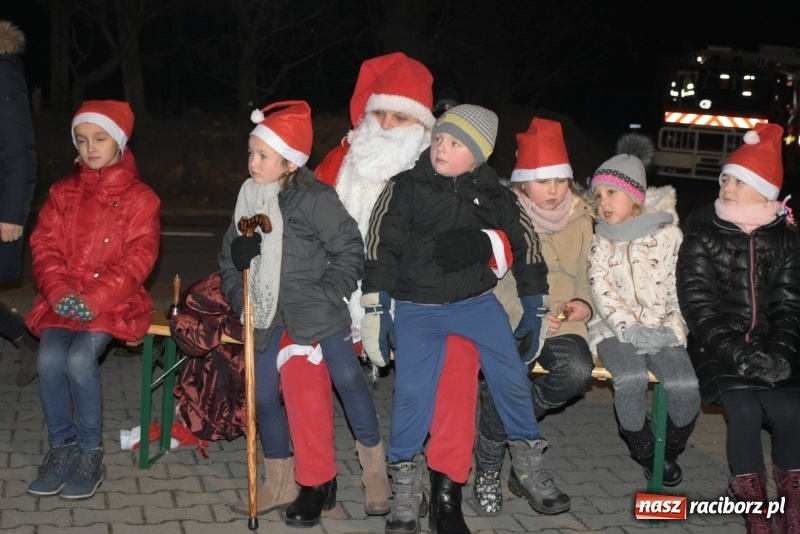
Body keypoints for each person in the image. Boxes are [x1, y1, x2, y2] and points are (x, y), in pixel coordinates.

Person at [361, 104, 569, 534]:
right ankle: (404, 489)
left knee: (511, 375)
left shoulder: (497, 196)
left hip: (476, 304)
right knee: (412, 394)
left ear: (477, 155)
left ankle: (529, 467)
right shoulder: (406, 186)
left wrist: (535, 307)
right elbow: (381, 245)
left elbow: (526, 247)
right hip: (418, 308)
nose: (442, 147)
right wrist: (376, 308)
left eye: (455, 143)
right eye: (439, 137)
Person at [315, 52, 492, 517]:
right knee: (300, 352)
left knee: (459, 355)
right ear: (366, 116)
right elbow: (301, 229)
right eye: (381, 114)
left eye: (402, 116)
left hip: (419, 299)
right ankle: (318, 477)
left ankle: (446, 487)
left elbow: (492, 231)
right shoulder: (339, 160)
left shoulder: (445, 168)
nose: (389, 125)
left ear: (423, 126)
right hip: (341, 295)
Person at [218, 100, 380, 528]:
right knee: (265, 395)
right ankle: (281, 480)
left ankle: (375, 471)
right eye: (250, 153)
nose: (252, 163)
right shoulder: (248, 198)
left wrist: (331, 292)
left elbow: (348, 248)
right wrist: (241, 290)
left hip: (318, 312)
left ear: (289, 162)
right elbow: (228, 261)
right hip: (268, 316)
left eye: (262, 155)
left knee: (347, 380)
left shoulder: (315, 199)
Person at [24, 100, 161, 500]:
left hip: (114, 300)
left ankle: (89, 452)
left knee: (80, 359)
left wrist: (95, 298)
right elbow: (44, 245)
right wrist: (59, 292)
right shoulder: (62, 191)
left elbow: (140, 258)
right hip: (62, 299)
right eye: (82, 140)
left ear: (118, 141)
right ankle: (61, 447)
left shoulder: (141, 198)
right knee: (49, 359)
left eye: (100, 138)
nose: (90, 148)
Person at [677, 122, 800, 534]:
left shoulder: (785, 240)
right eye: (725, 179)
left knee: (790, 413)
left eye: (739, 182)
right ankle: (758, 518)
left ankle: (791, 511)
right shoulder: (702, 235)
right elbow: (698, 308)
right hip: (717, 348)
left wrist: (780, 354)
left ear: (765, 191)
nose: (727, 187)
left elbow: (789, 305)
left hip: (770, 346)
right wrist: (741, 354)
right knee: (745, 413)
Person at [470, 117, 594, 516]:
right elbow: (496, 279)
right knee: (503, 374)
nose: (554, 191)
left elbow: (584, 275)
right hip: (515, 315)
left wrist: (582, 304)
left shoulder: (581, 219)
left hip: (563, 319)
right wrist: (529, 313)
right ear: (523, 184)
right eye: (543, 182)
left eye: (560, 181)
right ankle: (491, 469)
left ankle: (505, 435)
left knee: (575, 372)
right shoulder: (504, 217)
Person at [586, 133, 700, 487]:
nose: (603, 202)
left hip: (661, 327)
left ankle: (668, 452)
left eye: (612, 193)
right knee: (631, 379)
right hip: (612, 330)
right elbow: (600, 288)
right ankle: (645, 450)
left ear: (634, 196)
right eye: (599, 195)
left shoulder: (669, 235)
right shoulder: (600, 238)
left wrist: (671, 329)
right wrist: (628, 329)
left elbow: (677, 288)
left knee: (685, 385)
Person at [0, 20, 39, 388]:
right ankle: (26, 341)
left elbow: (19, 147)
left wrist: (12, 212)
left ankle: (27, 342)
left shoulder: (2, 68)